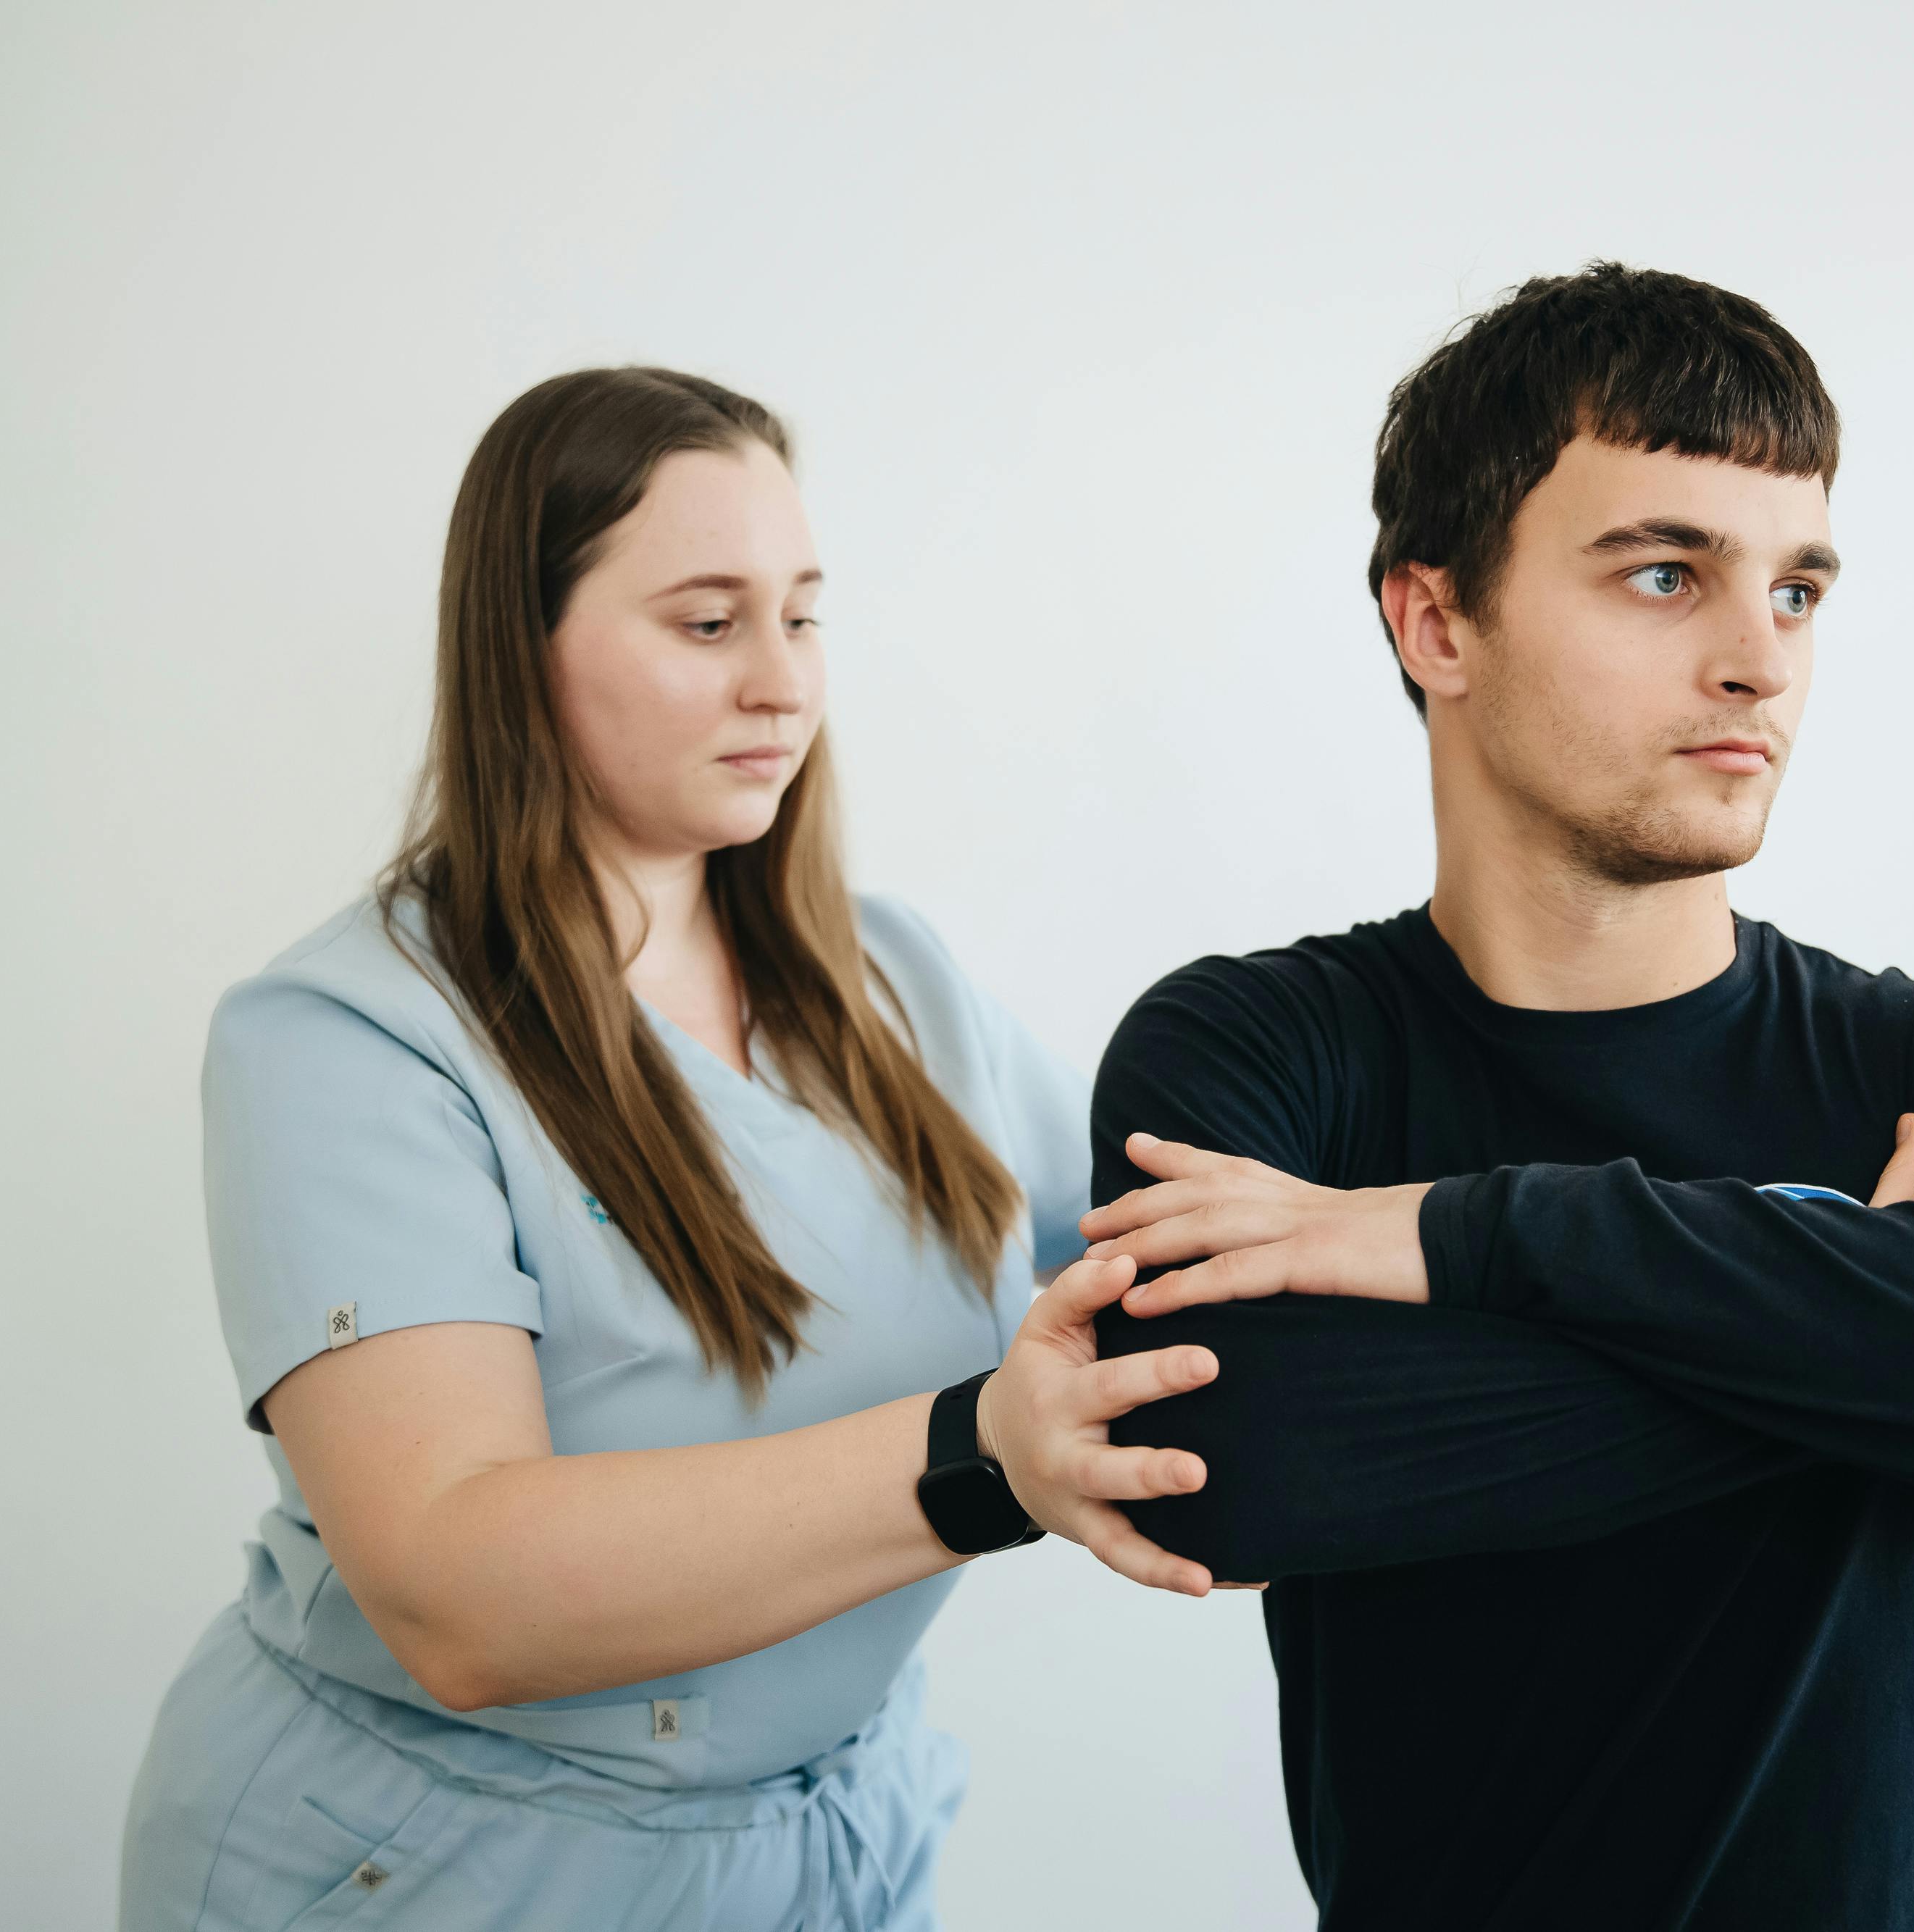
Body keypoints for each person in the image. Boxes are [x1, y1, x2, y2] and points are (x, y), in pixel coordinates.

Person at [1076, 265, 1914, 1929]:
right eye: (1666, 575)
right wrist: (1893, 1275)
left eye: (1798, 589)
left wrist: (1476, 1236)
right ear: (1435, 619)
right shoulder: (1266, 1049)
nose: (1759, 659)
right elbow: (1216, 1459)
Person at [119, 367, 1219, 1931]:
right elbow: (454, 1590)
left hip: (828, 1838)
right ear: (523, 649)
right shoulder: (346, 1041)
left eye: (803, 614)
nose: (782, 683)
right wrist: (984, 1451)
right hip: (448, 1863)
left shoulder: (888, 977)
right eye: (707, 623)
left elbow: (1158, 1244)